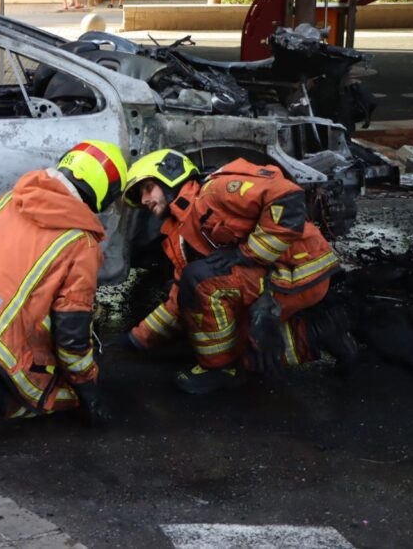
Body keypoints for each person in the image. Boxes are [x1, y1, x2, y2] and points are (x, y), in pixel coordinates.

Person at [118, 149, 358, 394]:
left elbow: (288, 199)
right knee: (225, 344)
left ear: (170, 175)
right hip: (273, 277)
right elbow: (181, 297)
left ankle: (220, 370)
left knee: (201, 283)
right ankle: (320, 333)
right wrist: (137, 339)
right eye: (140, 195)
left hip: (300, 271)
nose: (144, 200)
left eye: (148, 188)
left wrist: (246, 253)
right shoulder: (178, 231)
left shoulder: (215, 191)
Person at [0, 140, 128, 439]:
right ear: (105, 192)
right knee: (63, 395)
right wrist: (88, 391)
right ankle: (4, 399)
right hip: (3, 350)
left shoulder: (12, 199)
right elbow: (71, 335)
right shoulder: (80, 244)